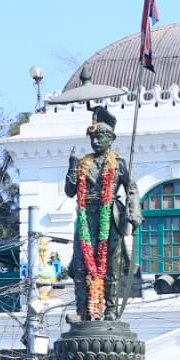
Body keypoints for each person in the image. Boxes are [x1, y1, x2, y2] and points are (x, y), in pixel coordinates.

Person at [63, 105, 142, 321]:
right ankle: (83, 311)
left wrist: (134, 214)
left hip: (110, 217)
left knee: (110, 267)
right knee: (81, 265)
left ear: (110, 139)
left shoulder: (118, 164)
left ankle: (110, 310)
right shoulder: (82, 164)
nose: (95, 141)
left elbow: (132, 188)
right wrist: (71, 167)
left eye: (100, 137)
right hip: (86, 217)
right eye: (93, 138)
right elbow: (70, 191)